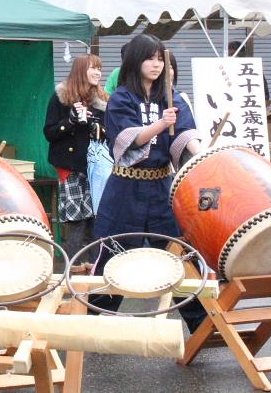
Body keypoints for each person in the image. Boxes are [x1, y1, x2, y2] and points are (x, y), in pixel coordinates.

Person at [91, 34, 205, 332]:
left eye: (159, 59)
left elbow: (184, 133)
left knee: (177, 252)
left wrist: (204, 157)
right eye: (149, 58)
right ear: (135, 61)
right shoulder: (121, 98)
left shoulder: (171, 96)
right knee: (112, 251)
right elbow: (127, 138)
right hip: (125, 189)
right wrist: (160, 124)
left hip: (161, 187)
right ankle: (93, 320)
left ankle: (201, 321)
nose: (156, 65)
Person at [43, 54, 107, 269]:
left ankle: (95, 270)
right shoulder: (61, 97)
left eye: (99, 68)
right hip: (70, 168)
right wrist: (70, 120)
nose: (98, 72)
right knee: (77, 221)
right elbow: (49, 132)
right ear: (80, 70)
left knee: (96, 220)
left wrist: (95, 126)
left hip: (96, 168)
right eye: (92, 68)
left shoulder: (103, 101)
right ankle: (74, 271)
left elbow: (109, 133)